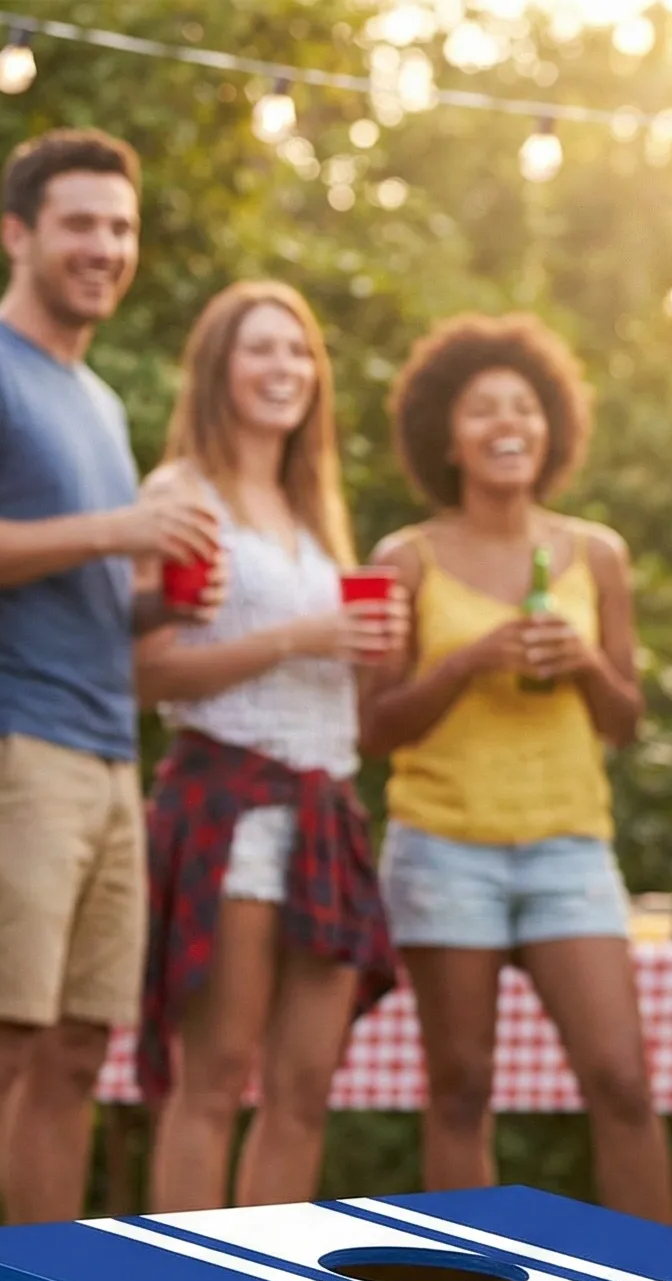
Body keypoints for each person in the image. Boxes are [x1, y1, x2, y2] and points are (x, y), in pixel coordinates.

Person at [0, 129, 224, 1232]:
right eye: (81, 223)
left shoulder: (95, 398)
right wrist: (118, 528)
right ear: (18, 231)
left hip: (104, 755)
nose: (106, 247)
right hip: (4, 743)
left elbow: (78, 577)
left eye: (122, 228)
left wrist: (166, 602)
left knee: (82, 1049)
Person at [360, 314, 672, 1224]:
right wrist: (466, 661)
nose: (507, 424)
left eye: (525, 408)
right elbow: (373, 728)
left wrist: (582, 665)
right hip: (442, 846)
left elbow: (626, 721)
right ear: (445, 436)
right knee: (460, 1087)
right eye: (482, 409)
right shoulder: (405, 559)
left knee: (621, 1079)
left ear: (553, 429)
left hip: (568, 846)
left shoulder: (596, 553)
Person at [131, 282, 405, 1213]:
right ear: (218, 368)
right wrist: (303, 637)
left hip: (326, 807)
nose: (283, 369)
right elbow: (149, 668)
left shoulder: (315, 508)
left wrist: (371, 655)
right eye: (260, 350)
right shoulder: (181, 494)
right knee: (211, 1076)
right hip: (230, 803)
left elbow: (343, 677)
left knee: (304, 1093)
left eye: (298, 352)